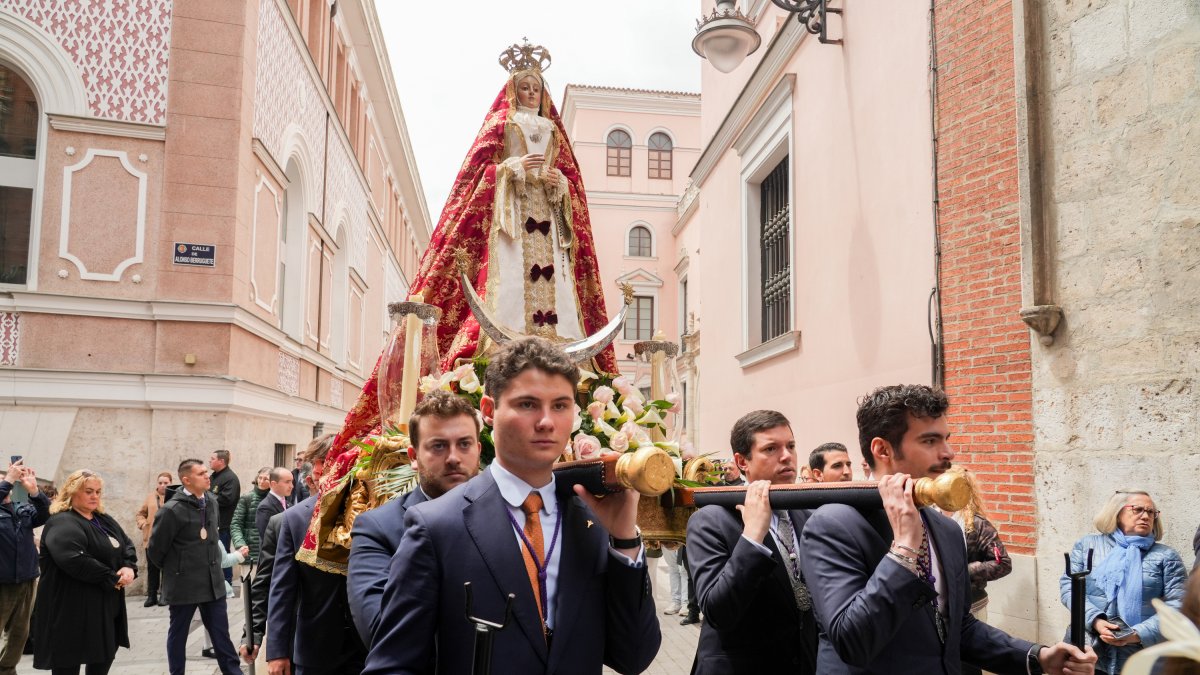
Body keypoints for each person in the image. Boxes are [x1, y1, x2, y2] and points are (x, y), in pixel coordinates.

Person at [364, 337, 661, 674]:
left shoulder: (593, 520)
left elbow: (633, 657)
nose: (547, 421)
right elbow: (392, 666)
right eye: (528, 404)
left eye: (560, 406)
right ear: (489, 411)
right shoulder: (437, 526)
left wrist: (624, 540)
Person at [800, 384, 1096, 674]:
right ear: (882, 449)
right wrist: (904, 549)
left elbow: (958, 628)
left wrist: (1037, 657)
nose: (948, 453)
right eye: (930, 441)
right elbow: (851, 642)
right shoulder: (832, 525)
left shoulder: (945, 529)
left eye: (946, 439)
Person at [686, 410, 818, 674]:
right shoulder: (711, 520)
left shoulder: (808, 514)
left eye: (791, 446)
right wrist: (753, 537)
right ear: (742, 461)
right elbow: (717, 612)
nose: (786, 456)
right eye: (771, 448)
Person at [348, 390, 483, 644]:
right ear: (413, 457)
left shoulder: (508, 516)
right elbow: (382, 632)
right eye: (438, 446)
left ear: (478, 449)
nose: (453, 458)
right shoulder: (377, 529)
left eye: (464, 444)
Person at [265, 433, 367, 675]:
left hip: (368, 646)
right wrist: (277, 651)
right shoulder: (295, 519)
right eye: (320, 462)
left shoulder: (377, 510)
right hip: (316, 648)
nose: (322, 468)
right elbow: (282, 590)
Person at [1060, 489, 1187, 674]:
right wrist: (1096, 620)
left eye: (1151, 512)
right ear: (1117, 513)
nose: (1146, 516)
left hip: (1141, 656)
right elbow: (1069, 588)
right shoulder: (1088, 546)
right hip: (1089, 651)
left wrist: (1137, 634)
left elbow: (1178, 606)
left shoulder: (1166, 556)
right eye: (1137, 510)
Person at [31, 470, 137, 675]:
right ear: (71, 492)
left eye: (98, 491)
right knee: (67, 664)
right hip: (70, 609)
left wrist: (128, 566)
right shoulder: (62, 522)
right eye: (88, 491)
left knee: (103, 659)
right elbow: (74, 559)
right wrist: (112, 577)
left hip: (105, 606)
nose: (95, 496)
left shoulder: (103, 519)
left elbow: (127, 544)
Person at [149, 458, 242, 675]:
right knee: (178, 635)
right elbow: (156, 551)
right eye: (201, 474)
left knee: (222, 636)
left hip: (212, 583)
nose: (207, 476)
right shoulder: (172, 510)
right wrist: (179, 569)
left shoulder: (211, 501)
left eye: (206, 472)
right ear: (186, 480)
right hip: (184, 585)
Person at [950, 471, 1013, 675]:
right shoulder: (929, 516)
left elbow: (1002, 563)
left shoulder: (976, 524)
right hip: (942, 604)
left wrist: (967, 570)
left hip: (972, 604)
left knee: (968, 662)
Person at [1, 461, 49, 675]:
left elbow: (47, 514)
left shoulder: (21, 507)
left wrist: (35, 491)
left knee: (19, 635)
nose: (5, 483)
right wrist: (9, 480)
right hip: (2, 583)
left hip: (27, 579)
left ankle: (6, 669)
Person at [135, 471, 172, 607]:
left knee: (167, 568)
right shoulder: (150, 497)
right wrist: (143, 523)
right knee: (152, 568)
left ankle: (164, 595)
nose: (162, 485)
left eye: (166, 483)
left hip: (169, 540)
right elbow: (140, 514)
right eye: (160, 482)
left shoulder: (173, 498)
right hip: (151, 539)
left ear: (170, 483)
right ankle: (152, 596)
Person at [209, 450, 240, 584]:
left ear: (221, 461)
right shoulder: (214, 476)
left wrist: (208, 497)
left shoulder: (230, 478)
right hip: (211, 522)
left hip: (223, 524)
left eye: (212, 458)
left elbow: (227, 499)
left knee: (223, 553)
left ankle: (227, 581)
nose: (209, 461)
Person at [230, 467, 270, 565]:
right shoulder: (247, 498)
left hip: (268, 554)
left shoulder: (276, 499)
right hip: (249, 552)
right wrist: (240, 544)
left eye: (266, 479)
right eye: (260, 478)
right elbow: (236, 524)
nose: (261, 481)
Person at [255, 467, 292, 546]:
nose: (291, 486)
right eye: (287, 482)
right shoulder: (265, 507)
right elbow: (268, 539)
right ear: (273, 484)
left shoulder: (288, 504)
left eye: (292, 482)